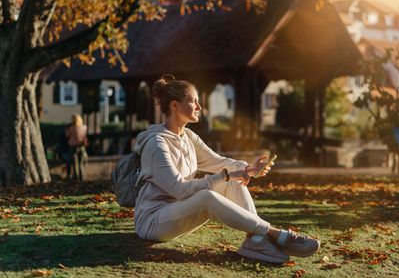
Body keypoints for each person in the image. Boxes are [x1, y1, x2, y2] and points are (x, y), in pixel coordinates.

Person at [133, 74, 320, 263]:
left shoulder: (188, 136)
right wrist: (226, 176)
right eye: (193, 101)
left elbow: (217, 161)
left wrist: (247, 169)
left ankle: (255, 240)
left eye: (199, 101)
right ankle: (274, 233)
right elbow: (180, 190)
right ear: (174, 106)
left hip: (179, 212)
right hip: (153, 222)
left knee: (234, 181)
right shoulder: (156, 144)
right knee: (209, 195)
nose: (199, 107)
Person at [65, 114, 88, 181]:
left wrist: (66, 130)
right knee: (81, 164)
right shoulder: (84, 127)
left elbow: (67, 135)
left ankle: (76, 178)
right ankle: (83, 178)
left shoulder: (72, 128)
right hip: (82, 147)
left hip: (73, 147)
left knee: (75, 164)